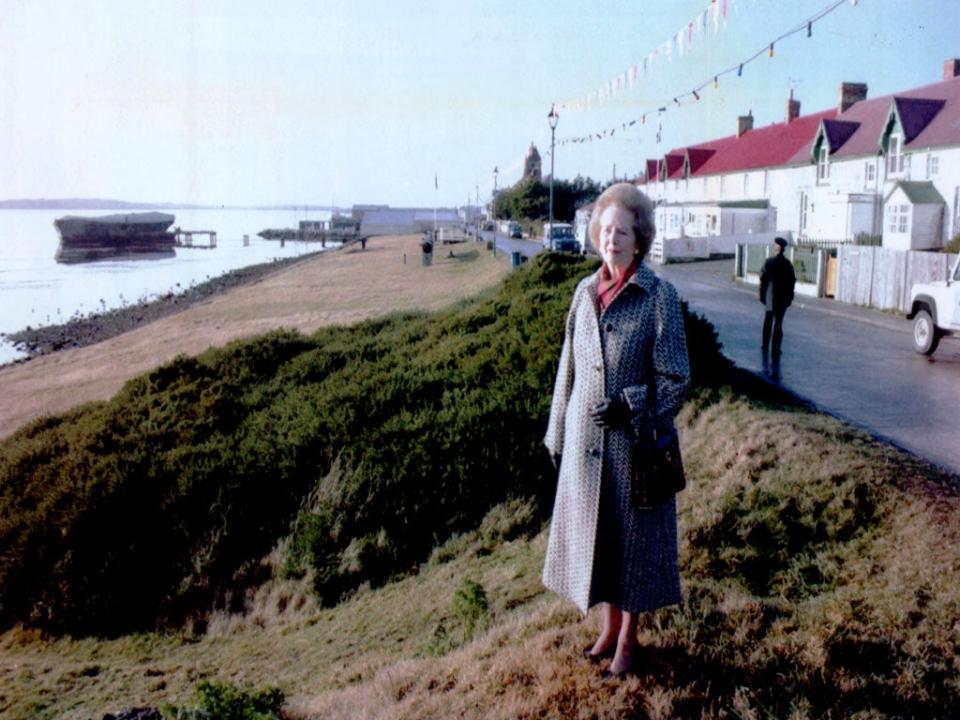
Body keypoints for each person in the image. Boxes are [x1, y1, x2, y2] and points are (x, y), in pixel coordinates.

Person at [542, 183, 690, 677]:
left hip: (636, 447)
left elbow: (676, 376)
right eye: (606, 230)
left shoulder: (660, 296)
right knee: (598, 539)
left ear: (639, 238)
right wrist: (557, 431)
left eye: (622, 231)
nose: (612, 239)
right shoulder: (584, 292)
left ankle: (629, 638)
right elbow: (570, 366)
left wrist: (632, 405)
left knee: (635, 547)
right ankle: (607, 627)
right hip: (587, 445)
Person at [759, 236, 796, 360]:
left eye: (775, 247)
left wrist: (762, 295)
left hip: (770, 297)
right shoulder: (787, 264)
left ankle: (765, 346)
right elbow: (792, 282)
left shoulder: (769, 262)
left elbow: (763, 279)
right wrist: (790, 297)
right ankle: (776, 349)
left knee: (768, 322)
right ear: (783, 250)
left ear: (777, 249)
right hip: (782, 299)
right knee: (778, 324)